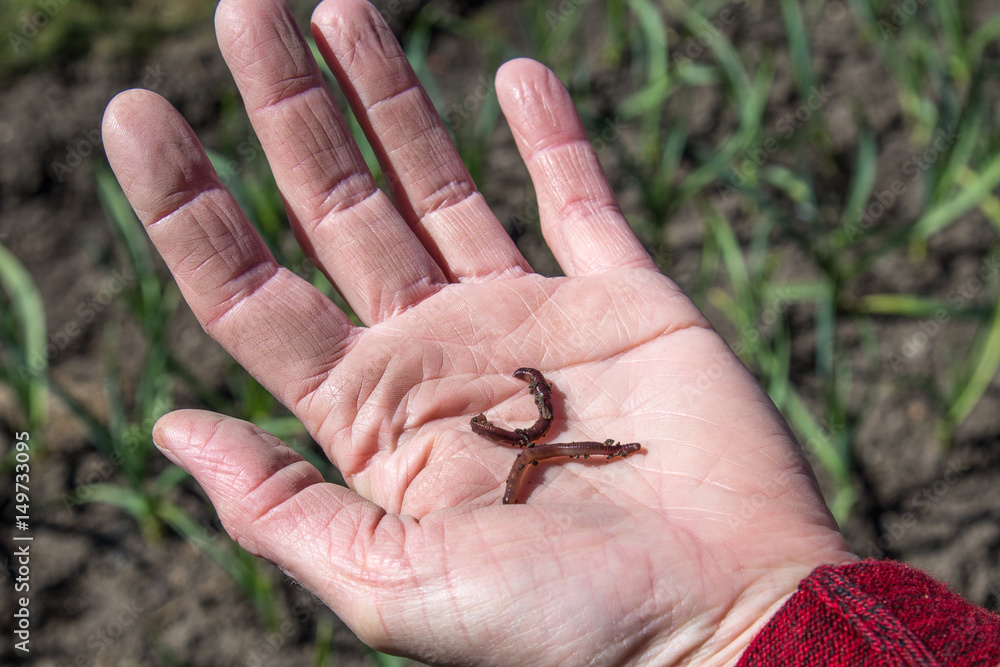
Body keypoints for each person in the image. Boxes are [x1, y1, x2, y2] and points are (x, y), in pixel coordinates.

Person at [101, 0, 1000, 664]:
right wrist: (747, 613)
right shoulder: (525, 442)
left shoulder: (537, 444)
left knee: (549, 444)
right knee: (541, 443)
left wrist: (738, 614)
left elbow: (544, 440)